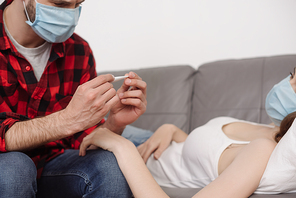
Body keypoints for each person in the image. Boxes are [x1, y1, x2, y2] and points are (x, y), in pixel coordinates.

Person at [0, 0, 147, 197]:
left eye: (78, 3)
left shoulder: (79, 51)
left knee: (109, 165)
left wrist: (114, 123)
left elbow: (83, 143)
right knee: (14, 169)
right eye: (60, 3)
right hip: (9, 169)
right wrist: (65, 120)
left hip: (53, 164)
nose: (70, 15)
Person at [79, 73, 296, 198]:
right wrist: (171, 130)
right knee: (82, 120)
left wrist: (121, 146)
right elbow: (205, 160)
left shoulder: (263, 150)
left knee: (72, 137)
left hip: (134, 161)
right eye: (292, 74)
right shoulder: (269, 127)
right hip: (152, 142)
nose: (287, 84)